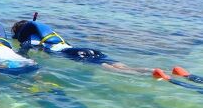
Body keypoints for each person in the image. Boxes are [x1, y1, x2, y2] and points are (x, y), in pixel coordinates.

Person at [12, 13, 151, 74]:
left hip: (73, 54)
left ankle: (149, 74)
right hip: (84, 49)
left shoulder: (31, 40)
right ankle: (152, 71)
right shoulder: (49, 36)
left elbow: (23, 53)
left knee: (115, 71)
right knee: (125, 67)